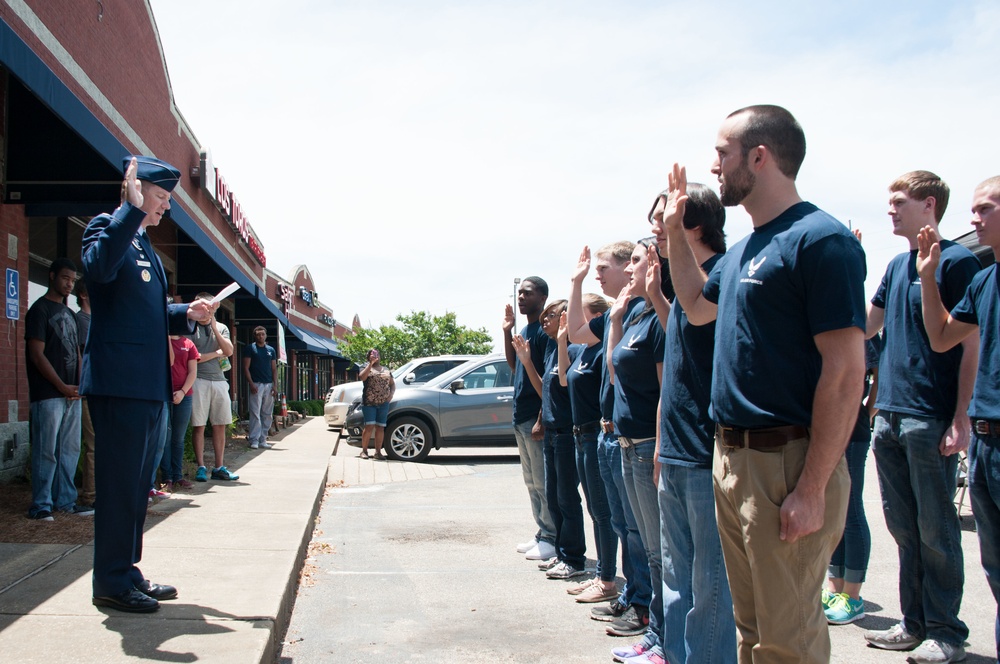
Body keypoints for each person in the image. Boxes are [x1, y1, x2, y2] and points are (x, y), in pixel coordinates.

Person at [664, 105, 866, 664]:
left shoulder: (819, 240)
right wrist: (676, 234)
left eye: (723, 152)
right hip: (732, 458)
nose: (715, 165)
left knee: (788, 641)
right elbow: (694, 306)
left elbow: (847, 370)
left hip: (788, 460)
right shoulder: (746, 249)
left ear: (760, 156)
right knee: (752, 631)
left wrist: (812, 487)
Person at [81, 155, 215, 613]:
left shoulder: (147, 251)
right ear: (135, 191)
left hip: (149, 386)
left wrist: (186, 314)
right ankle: (110, 581)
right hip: (119, 384)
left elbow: (149, 314)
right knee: (119, 485)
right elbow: (98, 270)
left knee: (137, 487)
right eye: (160, 198)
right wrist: (130, 211)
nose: (165, 209)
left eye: (166, 201)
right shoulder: (107, 227)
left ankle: (127, 572)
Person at [862, 171, 978, 662]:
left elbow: (970, 341)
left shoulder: (958, 262)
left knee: (936, 530)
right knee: (904, 528)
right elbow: (866, 324)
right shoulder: (894, 264)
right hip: (888, 416)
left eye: (899, 202)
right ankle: (913, 623)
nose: (890, 209)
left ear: (929, 204)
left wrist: (961, 416)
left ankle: (947, 632)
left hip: (930, 417)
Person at [647, 183, 736, 664]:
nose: (654, 229)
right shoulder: (684, 289)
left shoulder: (722, 275)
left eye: (663, 218)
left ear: (694, 223)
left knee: (710, 592)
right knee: (677, 582)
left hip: (706, 455)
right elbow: (676, 374)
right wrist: (662, 445)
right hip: (676, 454)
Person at [917, 175, 1000, 664]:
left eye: (986, 208)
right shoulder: (985, 280)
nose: (974, 218)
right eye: (973, 209)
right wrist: (928, 277)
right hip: (987, 444)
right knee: (994, 567)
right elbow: (943, 336)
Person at [566, 243, 653, 635]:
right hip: (608, 435)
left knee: (638, 531)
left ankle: (643, 607)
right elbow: (576, 332)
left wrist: (615, 321)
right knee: (622, 524)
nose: (599, 274)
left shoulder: (639, 310)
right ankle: (632, 595)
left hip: (631, 435)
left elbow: (617, 370)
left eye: (605, 267)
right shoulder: (621, 310)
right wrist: (577, 281)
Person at [605, 239, 665, 651]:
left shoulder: (660, 317)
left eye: (637, 263)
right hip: (628, 444)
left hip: (648, 445)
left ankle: (659, 637)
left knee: (660, 553)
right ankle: (656, 634)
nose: (629, 270)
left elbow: (668, 389)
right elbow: (613, 370)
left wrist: (662, 445)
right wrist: (615, 321)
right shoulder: (637, 314)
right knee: (647, 546)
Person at [515, 299, 587, 580]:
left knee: (568, 499)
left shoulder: (573, 348)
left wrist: (560, 342)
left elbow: (564, 384)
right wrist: (526, 361)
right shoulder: (549, 350)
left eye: (551, 316)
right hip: (553, 433)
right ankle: (560, 551)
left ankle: (574, 558)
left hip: (569, 433)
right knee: (555, 497)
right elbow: (545, 389)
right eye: (543, 317)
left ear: (566, 318)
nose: (544, 321)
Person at [559, 296, 619, 604]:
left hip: (596, 432)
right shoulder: (582, 350)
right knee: (595, 510)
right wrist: (560, 341)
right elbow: (563, 380)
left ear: (596, 316)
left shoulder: (602, 349)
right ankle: (602, 575)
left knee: (604, 512)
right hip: (580, 435)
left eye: (579, 316)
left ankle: (607, 578)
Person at [25, 257, 88, 521]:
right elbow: (37, 355)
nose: (69, 284)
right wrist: (61, 385)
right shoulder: (39, 310)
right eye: (65, 278)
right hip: (49, 394)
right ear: (51, 276)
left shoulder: (70, 315)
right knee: (46, 450)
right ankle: (41, 504)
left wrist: (82, 384)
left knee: (70, 450)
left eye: (73, 280)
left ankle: (66, 501)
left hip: (72, 393)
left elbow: (77, 351)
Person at [823, 333, 880, 625]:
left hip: (852, 432)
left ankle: (854, 596)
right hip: (828, 429)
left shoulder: (859, 329)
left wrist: (866, 414)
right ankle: (835, 588)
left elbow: (875, 377)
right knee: (835, 511)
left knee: (852, 511)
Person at [503, 276, 557, 561]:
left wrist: (541, 417)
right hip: (520, 417)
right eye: (519, 293)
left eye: (527, 293)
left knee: (543, 480)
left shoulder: (545, 332)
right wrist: (507, 331)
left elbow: (547, 381)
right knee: (531, 481)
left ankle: (551, 536)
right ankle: (541, 531)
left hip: (535, 419)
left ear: (543, 297)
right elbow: (515, 365)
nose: (521, 297)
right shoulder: (526, 328)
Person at [190, 293, 238, 482]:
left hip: (219, 380)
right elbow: (195, 357)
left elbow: (228, 351)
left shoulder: (222, 327)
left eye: (211, 308)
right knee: (199, 425)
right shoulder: (190, 328)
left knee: (220, 424)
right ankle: (201, 466)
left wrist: (214, 328)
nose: (207, 311)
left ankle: (219, 467)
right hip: (198, 379)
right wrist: (214, 353)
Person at [160, 333, 199, 492]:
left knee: (178, 438)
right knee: (165, 438)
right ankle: (166, 477)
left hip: (184, 396)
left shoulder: (188, 343)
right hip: (163, 395)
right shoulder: (161, 340)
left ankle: (178, 475)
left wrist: (182, 392)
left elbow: (192, 372)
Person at [75, 280, 96, 509]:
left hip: (103, 390)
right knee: (94, 444)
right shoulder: (80, 320)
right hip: (89, 390)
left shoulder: (97, 320)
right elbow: (82, 355)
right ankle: (89, 496)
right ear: (83, 294)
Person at [243, 325, 278, 450]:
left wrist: (275, 385)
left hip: (268, 385)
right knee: (255, 413)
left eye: (263, 334)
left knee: (267, 413)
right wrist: (251, 383)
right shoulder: (250, 349)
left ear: (266, 335)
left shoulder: (271, 350)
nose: (261, 336)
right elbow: (246, 367)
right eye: (258, 334)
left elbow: (274, 369)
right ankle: (254, 439)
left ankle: (263, 439)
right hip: (256, 384)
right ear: (255, 336)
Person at [358, 348, 395, 460]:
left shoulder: (386, 370)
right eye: (372, 354)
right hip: (369, 403)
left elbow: (392, 384)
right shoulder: (365, 367)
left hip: (383, 403)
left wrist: (391, 395)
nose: (375, 355)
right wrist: (370, 364)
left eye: (377, 353)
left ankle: (378, 452)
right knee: (369, 426)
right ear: (368, 356)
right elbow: (362, 377)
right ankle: (364, 451)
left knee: (380, 427)